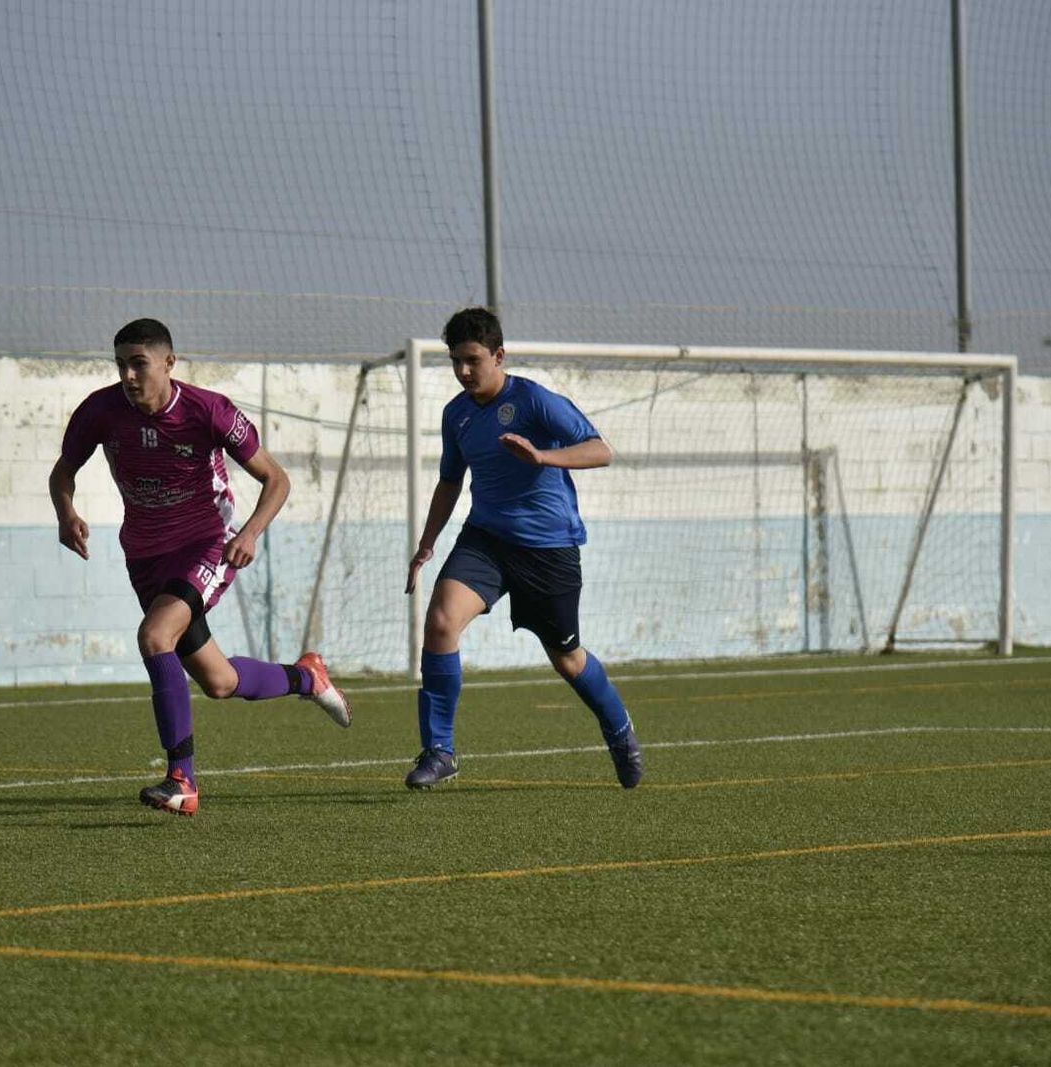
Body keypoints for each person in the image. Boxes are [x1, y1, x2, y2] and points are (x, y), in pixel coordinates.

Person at [49, 318, 351, 817]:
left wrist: (249, 532)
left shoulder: (208, 411)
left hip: (206, 543)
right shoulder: (99, 411)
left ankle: (182, 780)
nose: (128, 375)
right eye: (121, 364)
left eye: (139, 364)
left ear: (169, 363)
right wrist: (67, 513)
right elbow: (65, 469)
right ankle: (307, 677)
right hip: (144, 554)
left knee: (154, 637)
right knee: (219, 681)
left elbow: (275, 478)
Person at [403, 306, 643, 790]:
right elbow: (450, 482)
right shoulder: (458, 414)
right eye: (455, 361)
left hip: (548, 548)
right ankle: (440, 750)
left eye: (472, 360)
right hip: (486, 540)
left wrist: (542, 456)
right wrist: (426, 544)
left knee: (567, 658)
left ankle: (619, 731)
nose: (463, 371)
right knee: (441, 621)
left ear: (499, 355)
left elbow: (601, 450)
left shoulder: (535, 401)